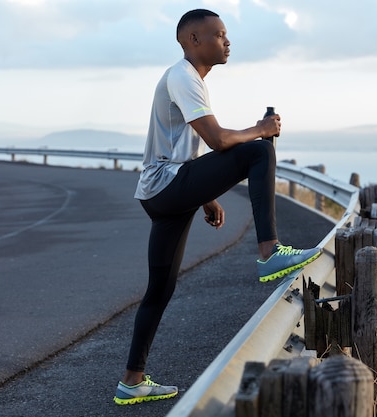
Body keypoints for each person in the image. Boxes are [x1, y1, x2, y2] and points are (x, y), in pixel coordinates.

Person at [113, 9, 322, 405]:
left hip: (160, 192)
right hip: (166, 186)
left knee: (160, 288)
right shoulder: (183, 76)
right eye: (218, 34)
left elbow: (181, 150)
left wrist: (205, 197)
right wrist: (262, 130)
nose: (227, 42)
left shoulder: (187, 79)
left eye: (226, 35)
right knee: (259, 153)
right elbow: (218, 141)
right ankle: (269, 254)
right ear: (192, 40)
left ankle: (131, 381)